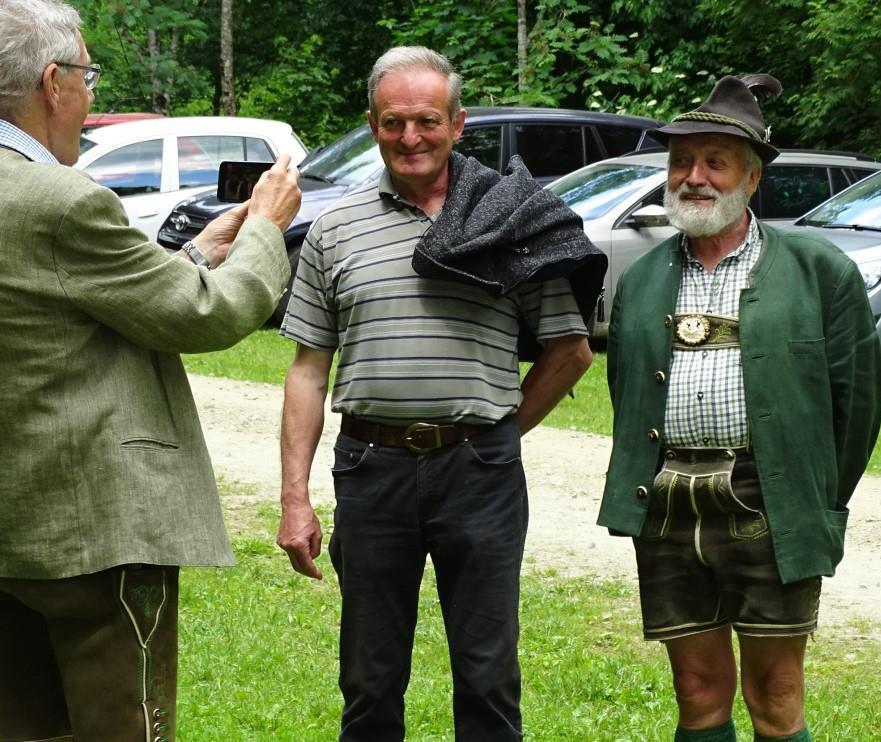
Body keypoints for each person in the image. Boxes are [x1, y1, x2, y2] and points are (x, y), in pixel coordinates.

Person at [276, 46, 599, 741]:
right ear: (372, 125)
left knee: (487, 676)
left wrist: (497, 433)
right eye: (393, 122)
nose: (410, 137)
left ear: (458, 123)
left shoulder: (509, 221)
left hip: (479, 474)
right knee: (369, 678)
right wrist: (294, 499)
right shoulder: (335, 229)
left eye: (426, 120)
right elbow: (307, 369)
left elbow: (570, 350)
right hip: (371, 470)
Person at [0, 1, 301, 740]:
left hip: (17, 524)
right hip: (96, 528)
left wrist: (196, 252)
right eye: (89, 75)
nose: (90, 94)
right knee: (124, 726)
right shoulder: (61, 199)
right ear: (52, 83)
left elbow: (69, 300)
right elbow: (208, 315)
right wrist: (265, 229)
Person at [597, 73, 881, 742]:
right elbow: (626, 391)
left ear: (752, 178)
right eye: (681, 162)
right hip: (667, 503)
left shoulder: (819, 271)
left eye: (714, 162)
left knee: (775, 694)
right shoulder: (642, 279)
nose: (693, 177)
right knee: (696, 691)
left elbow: (858, 407)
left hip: (768, 502)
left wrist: (811, 495)